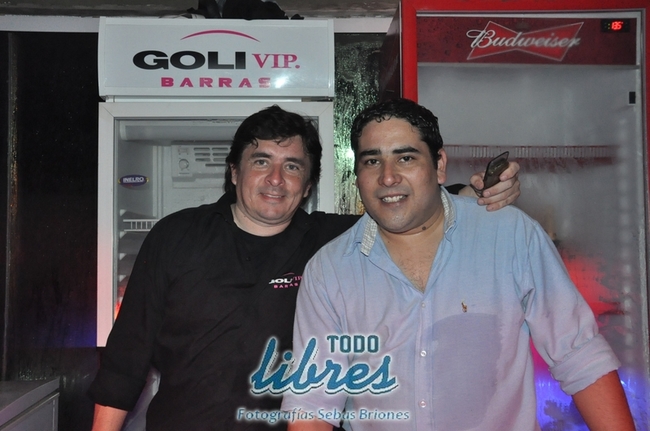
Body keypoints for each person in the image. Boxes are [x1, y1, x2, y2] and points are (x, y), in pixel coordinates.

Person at [88, 104, 521, 431]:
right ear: (234, 172)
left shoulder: (333, 242)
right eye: (261, 161)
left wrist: (478, 193)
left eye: (292, 166)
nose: (276, 179)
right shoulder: (176, 236)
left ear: (308, 185)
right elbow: (125, 361)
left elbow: (408, 211)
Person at [281, 99, 635, 431]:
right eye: (372, 161)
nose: (388, 177)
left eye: (406, 158)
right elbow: (313, 403)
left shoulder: (510, 236)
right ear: (357, 173)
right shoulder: (330, 270)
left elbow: (579, 356)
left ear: (439, 166)